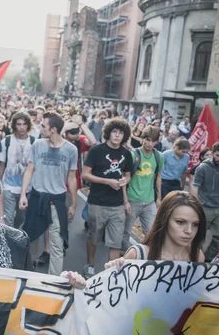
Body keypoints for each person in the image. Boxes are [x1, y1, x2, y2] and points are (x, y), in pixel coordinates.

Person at [19, 112, 78, 276]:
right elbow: (29, 170)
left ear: (53, 129)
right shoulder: (37, 145)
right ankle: (28, 275)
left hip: (57, 201)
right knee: (30, 239)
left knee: (57, 243)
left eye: (43, 126)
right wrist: (23, 194)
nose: (40, 128)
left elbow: (72, 177)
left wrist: (73, 203)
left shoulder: (71, 150)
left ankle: (54, 283)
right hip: (37, 198)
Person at [81, 118, 133, 278]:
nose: (117, 135)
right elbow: (85, 175)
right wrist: (107, 181)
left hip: (117, 205)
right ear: (108, 133)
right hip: (97, 203)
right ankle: (90, 264)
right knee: (94, 237)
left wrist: (125, 183)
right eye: (114, 132)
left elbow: (128, 176)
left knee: (115, 242)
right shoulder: (97, 151)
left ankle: (110, 274)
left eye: (121, 133)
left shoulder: (126, 154)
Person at [105, 191, 206, 269]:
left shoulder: (197, 256)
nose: (189, 230)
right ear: (164, 219)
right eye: (180, 222)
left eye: (195, 224)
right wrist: (112, 271)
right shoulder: (138, 255)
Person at [122, 125, 164, 251]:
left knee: (152, 233)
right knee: (125, 233)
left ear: (156, 142)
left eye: (153, 141)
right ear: (142, 139)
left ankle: (147, 257)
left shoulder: (158, 156)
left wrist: (159, 199)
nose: (149, 143)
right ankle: (123, 256)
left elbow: (158, 177)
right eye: (147, 139)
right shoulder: (133, 154)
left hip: (149, 201)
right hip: (132, 200)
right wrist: (125, 201)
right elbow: (124, 178)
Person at [190, 141, 219, 261]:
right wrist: (195, 205)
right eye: (218, 155)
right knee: (199, 237)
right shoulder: (202, 167)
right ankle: (195, 259)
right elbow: (195, 186)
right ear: (212, 153)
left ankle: (207, 260)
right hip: (204, 207)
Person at [0, 112, 35, 228]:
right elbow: (2, 164)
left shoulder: (34, 142)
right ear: (14, 125)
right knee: (8, 217)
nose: (21, 127)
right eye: (18, 124)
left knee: (22, 217)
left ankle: (16, 233)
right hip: (8, 186)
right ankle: (9, 242)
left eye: (24, 124)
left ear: (28, 126)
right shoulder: (7, 141)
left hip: (27, 187)